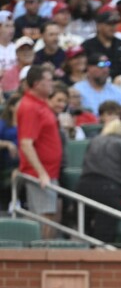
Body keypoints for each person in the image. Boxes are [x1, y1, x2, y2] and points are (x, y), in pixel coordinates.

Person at [77, 120, 121, 244]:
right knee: (103, 236)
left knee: (83, 232)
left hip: (83, 186)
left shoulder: (95, 141)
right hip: (108, 190)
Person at [17, 65, 62, 239]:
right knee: (44, 217)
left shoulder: (40, 103)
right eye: (48, 80)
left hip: (50, 171)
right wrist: (41, 173)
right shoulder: (29, 107)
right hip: (39, 174)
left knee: (50, 215)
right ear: (37, 84)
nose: (52, 84)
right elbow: (26, 144)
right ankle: (41, 255)